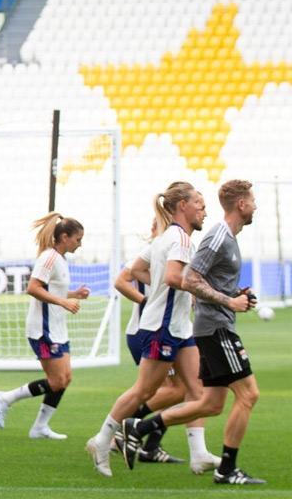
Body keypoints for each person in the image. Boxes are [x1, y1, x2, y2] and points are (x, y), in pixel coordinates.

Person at [124, 180, 264, 485]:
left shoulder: (228, 238)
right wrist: (229, 300)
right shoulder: (218, 236)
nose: (255, 205)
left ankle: (139, 428)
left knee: (210, 404)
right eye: (252, 200)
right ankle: (227, 471)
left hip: (214, 326)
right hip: (216, 329)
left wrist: (234, 293)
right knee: (249, 394)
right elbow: (190, 278)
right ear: (241, 204)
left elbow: (203, 281)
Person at [85, 182, 217, 477]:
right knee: (144, 390)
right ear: (183, 205)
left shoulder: (167, 237)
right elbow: (171, 277)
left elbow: (136, 270)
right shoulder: (179, 239)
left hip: (179, 327)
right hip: (163, 327)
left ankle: (199, 454)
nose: (204, 211)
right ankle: (102, 440)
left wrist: (168, 287)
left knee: (196, 389)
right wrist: (203, 289)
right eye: (200, 204)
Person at [0, 212, 90, 440]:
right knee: (56, 381)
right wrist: (65, 301)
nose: (80, 244)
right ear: (64, 237)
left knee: (65, 379)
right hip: (42, 330)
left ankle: (40, 427)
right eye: (77, 239)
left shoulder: (61, 259)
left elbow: (53, 289)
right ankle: (6, 398)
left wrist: (74, 294)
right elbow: (33, 288)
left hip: (57, 328)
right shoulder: (48, 257)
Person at [109, 219, 186, 462]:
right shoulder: (154, 251)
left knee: (173, 390)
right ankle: (120, 432)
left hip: (159, 329)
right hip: (147, 330)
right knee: (172, 390)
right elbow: (121, 280)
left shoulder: (170, 250)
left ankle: (148, 444)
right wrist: (144, 301)